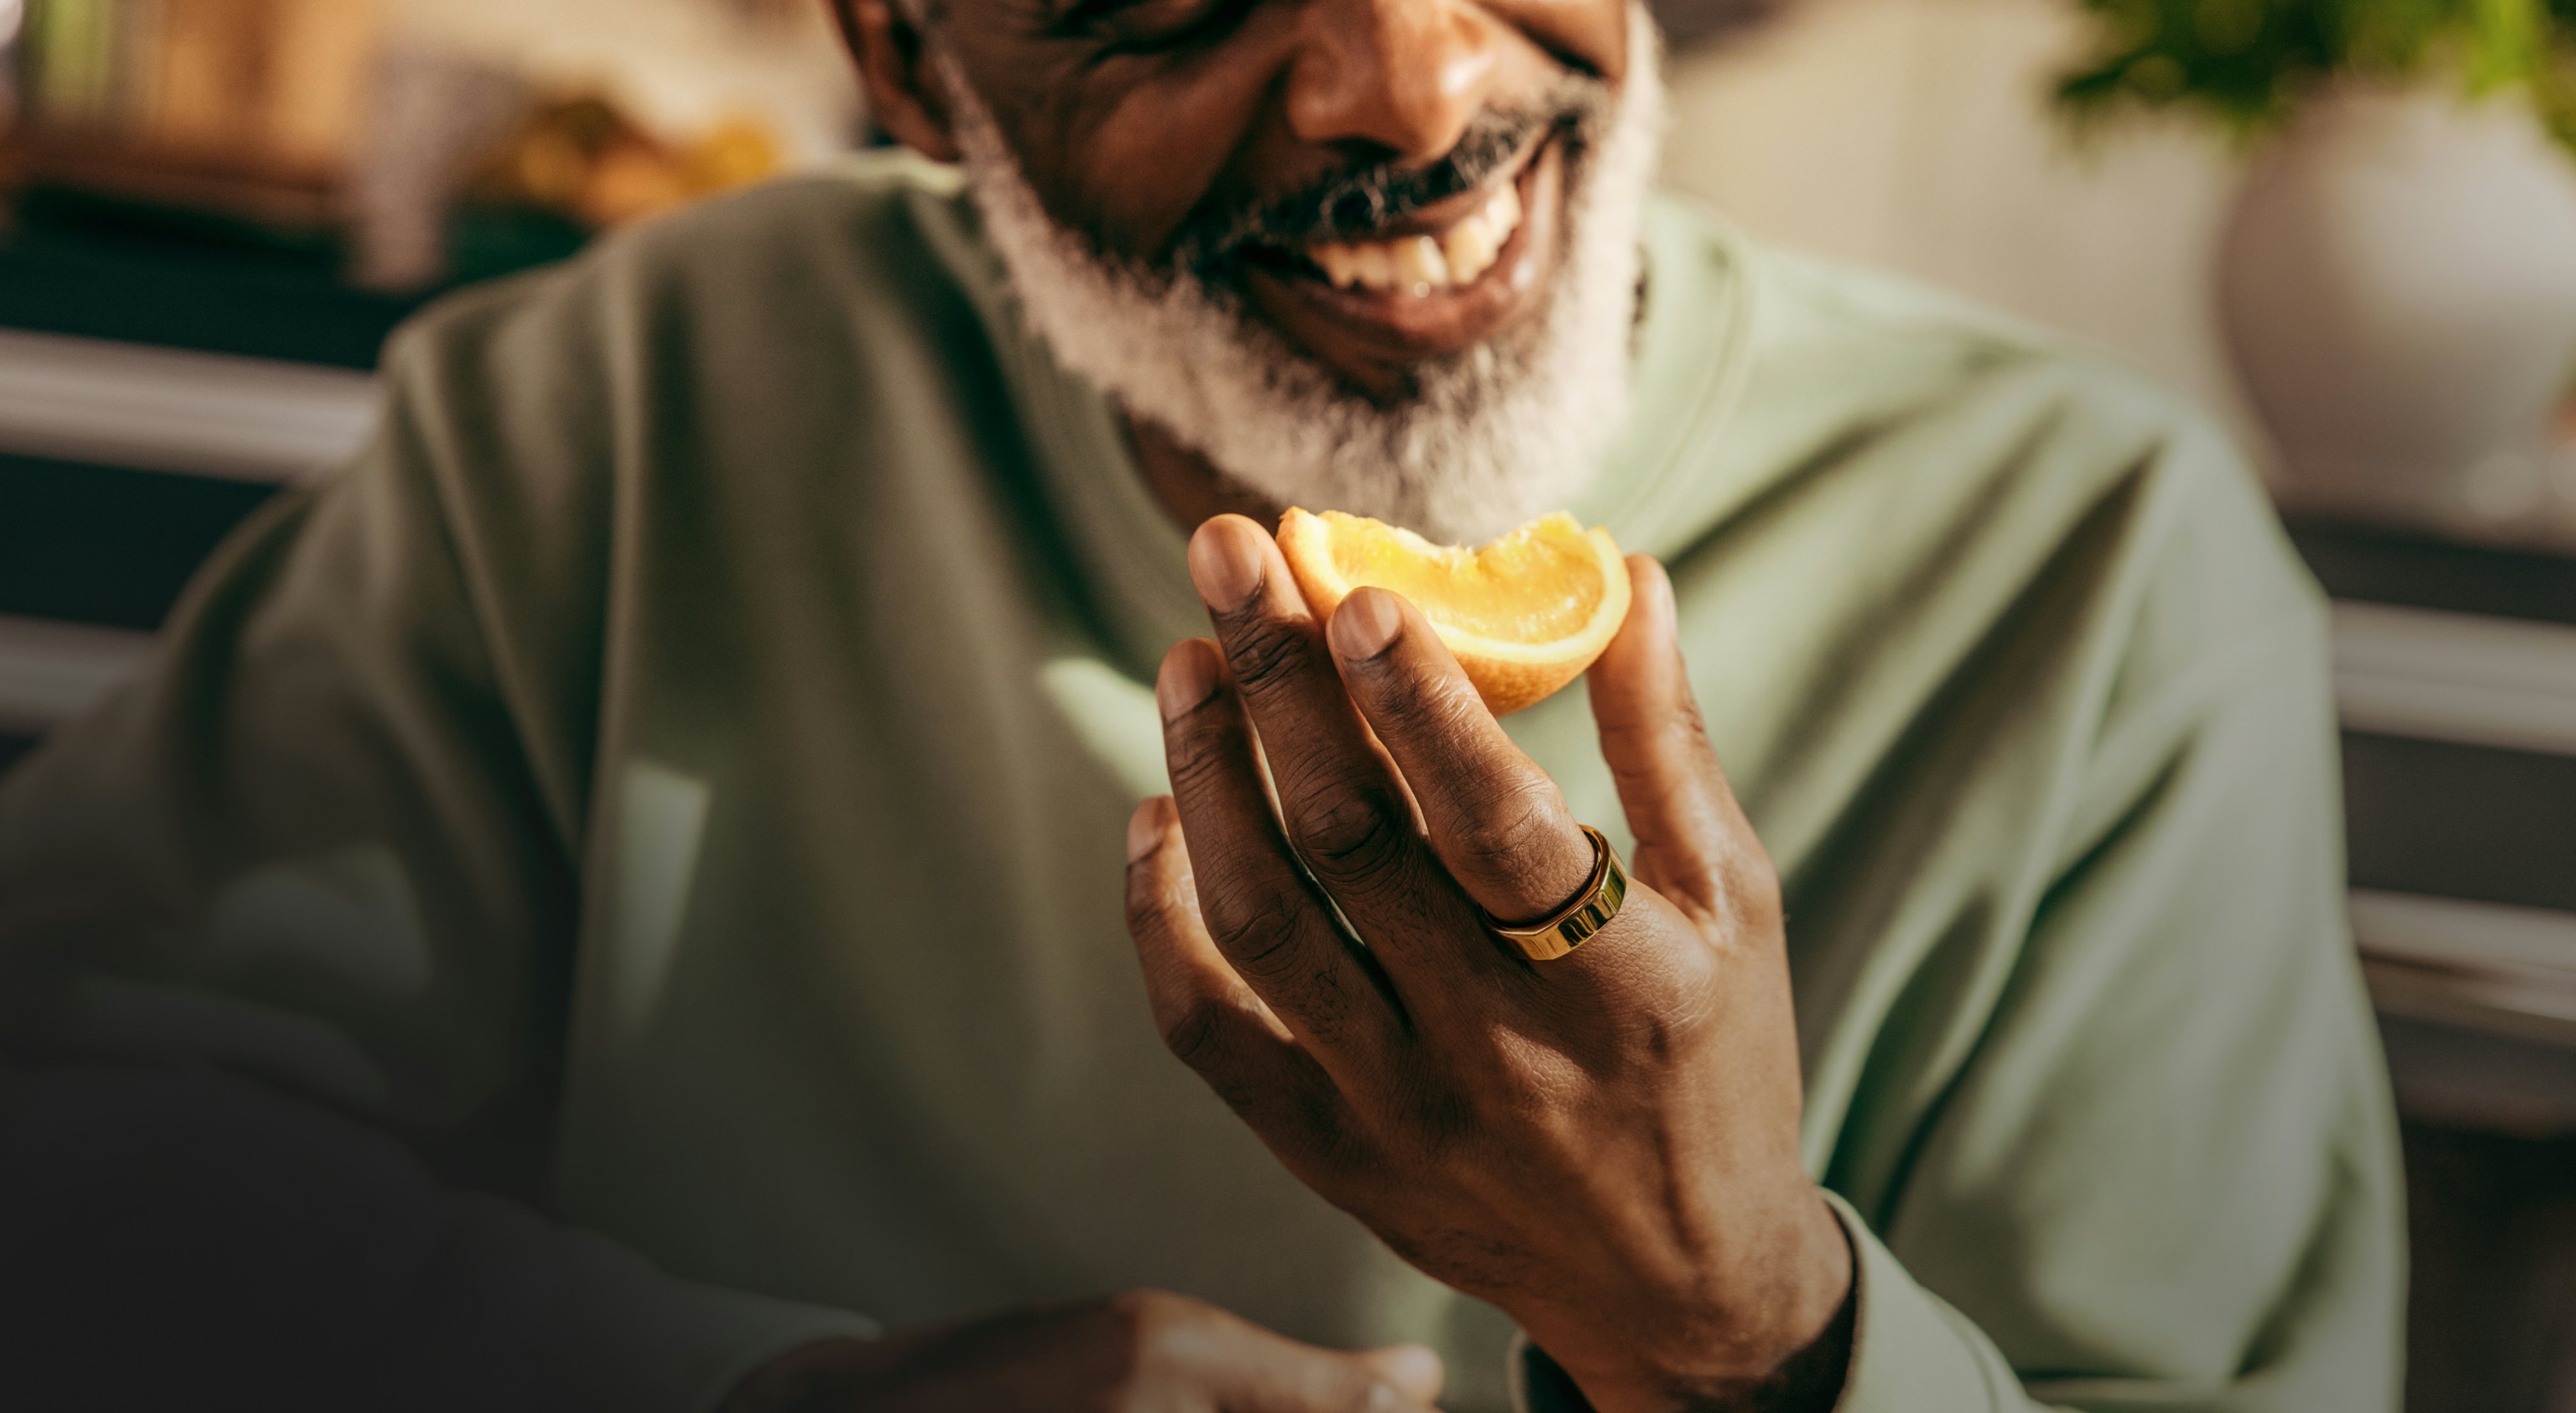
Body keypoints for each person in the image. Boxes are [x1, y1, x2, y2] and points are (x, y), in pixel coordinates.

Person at [0, 0, 2405, 1408]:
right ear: (905, 62)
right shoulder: (613, 411)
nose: (1402, 74)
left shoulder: (2100, 564)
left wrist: (1749, 1327)